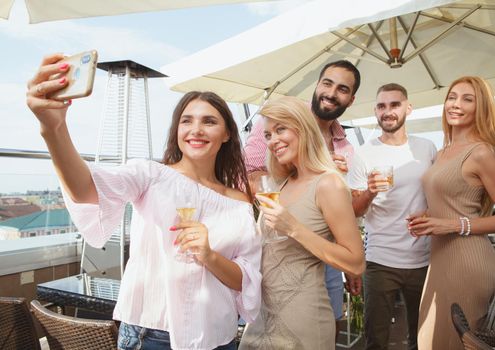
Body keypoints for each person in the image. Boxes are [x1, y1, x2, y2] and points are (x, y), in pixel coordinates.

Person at [26, 53, 262, 350]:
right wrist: (53, 129)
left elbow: (245, 279)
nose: (196, 130)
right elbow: (84, 190)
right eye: (186, 121)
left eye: (209, 121)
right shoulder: (149, 175)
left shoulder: (239, 202)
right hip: (152, 337)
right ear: (177, 130)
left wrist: (209, 255)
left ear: (227, 134)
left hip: (220, 338)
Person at [243, 59, 361, 335]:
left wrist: (294, 227)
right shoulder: (281, 184)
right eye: (269, 134)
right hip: (264, 311)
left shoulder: (332, 175)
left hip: (303, 311)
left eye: (281, 131)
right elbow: (249, 176)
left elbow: (353, 256)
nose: (272, 141)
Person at [408, 76, 495, 349]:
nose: (455, 104)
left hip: (468, 262)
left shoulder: (481, 152)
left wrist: (452, 225)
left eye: (467, 99)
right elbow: (451, 199)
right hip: (439, 260)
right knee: (427, 340)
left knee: (454, 342)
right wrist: (427, 215)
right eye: (452, 97)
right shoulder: (443, 151)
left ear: (480, 108)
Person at [347, 83, 437, 350]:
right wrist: (370, 193)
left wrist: (430, 213)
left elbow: (439, 197)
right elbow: (354, 210)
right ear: (375, 110)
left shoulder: (427, 148)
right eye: (381, 106)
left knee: (421, 337)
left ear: (408, 108)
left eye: (394, 104)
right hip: (380, 260)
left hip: (422, 259)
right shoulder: (364, 152)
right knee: (376, 339)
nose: (387, 111)